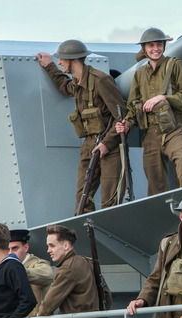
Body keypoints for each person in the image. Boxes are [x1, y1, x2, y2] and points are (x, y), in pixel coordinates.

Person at [36, 40, 127, 214]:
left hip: (110, 147)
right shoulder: (78, 82)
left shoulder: (101, 80)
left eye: (62, 59)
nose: (60, 62)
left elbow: (122, 116)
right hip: (89, 145)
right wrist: (50, 66)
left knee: (110, 201)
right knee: (82, 200)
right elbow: (65, 85)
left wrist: (106, 144)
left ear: (73, 59)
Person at [115, 28, 182, 196]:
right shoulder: (140, 74)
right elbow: (133, 106)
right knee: (155, 181)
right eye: (151, 45)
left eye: (159, 44)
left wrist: (163, 98)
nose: (155, 49)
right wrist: (127, 124)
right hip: (151, 133)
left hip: (175, 129)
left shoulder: (176, 66)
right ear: (144, 49)